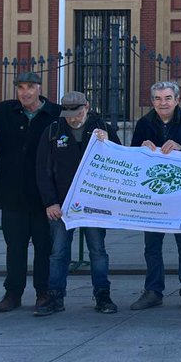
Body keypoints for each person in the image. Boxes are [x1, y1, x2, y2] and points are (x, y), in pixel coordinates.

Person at [34, 92, 121, 317]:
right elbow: (43, 170)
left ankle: (102, 294)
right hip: (62, 204)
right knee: (58, 251)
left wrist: (108, 141)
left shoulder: (102, 127)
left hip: (94, 204)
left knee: (97, 250)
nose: (73, 119)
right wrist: (50, 202)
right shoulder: (53, 131)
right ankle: (55, 296)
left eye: (78, 113)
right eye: (69, 114)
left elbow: (121, 159)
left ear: (87, 107)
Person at [129, 81, 181, 311]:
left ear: (177, 99)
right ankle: (154, 291)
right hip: (153, 196)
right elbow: (133, 158)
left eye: (167, 98)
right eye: (157, 99)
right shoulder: (143, 124)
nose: (162, 103)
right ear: (152, 101)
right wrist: (140, 149)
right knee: (152, 246)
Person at [0, 71, 60, 313]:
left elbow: (83, 125)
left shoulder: (56, 114)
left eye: (30, 86)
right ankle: (13, 293)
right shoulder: (3, 112)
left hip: (45, 198)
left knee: (43, 248)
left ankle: (43, 292)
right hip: (12, 195)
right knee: (15, 247)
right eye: (20, 87)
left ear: (39, 88)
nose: (25, 92)